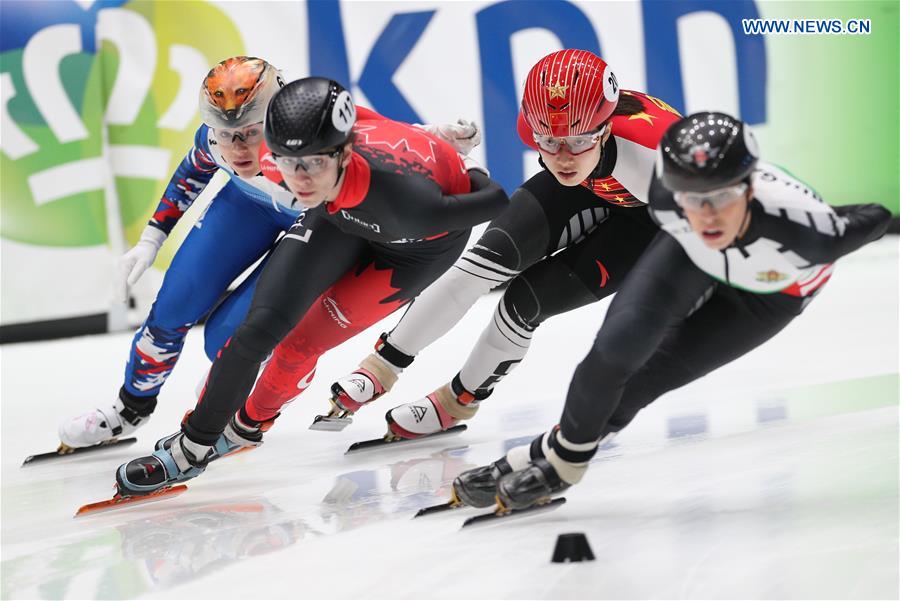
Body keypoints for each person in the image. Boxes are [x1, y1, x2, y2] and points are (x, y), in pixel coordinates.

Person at [453, 111, 892, 510]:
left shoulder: (810, 232)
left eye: (720, 198)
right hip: (691, 256)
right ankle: (564, 458)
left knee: (646, 381)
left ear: (750, 187)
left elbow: (876, 215)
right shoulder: (666, 200)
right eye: (691, 199)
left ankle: (550, 457)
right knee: (611, 355)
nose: (707, 215)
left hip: (771, 291)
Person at [112, 76, 510, 496]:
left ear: (345, 150)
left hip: (411, 249)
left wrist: (464, 167)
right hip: (336, 213)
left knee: (299, 345)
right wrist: (426, 133)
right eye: (288, 163)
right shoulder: (273, 153)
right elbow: (368, 124)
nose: (299, 180)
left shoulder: (410, 204)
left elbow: (497, 199)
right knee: (256, 331)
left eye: (315, 162)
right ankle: (190, 449)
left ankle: (247, 428)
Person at [325, 49, 681, 439]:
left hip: (650, 222)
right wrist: (574, 146)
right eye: (547, 140)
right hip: (587, 186)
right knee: (479, 264)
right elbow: (565, 148)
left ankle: (458, 401)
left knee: (523, 304)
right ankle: (380, 367)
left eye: (577, 140)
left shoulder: (657, 158)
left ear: (606, 129)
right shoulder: (549, 125)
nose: (561, 156)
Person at [57, 56, 297, 450]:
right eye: (223, 132)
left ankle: (225, 413)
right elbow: (191, 173)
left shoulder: (317, 142)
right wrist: (151, 240)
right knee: (171, 308)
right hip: (246, 204)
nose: (236, 148)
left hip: (310, 223)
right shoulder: (212, 141)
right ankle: (130, 407)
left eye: (251, 133)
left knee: (229, 336)